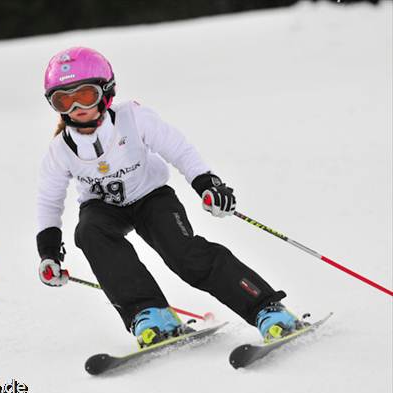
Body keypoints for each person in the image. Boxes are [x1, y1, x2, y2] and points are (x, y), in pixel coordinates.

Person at [36, 46, 301, 348]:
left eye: (84, 95)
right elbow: (49, 200)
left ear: (106, 91)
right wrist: (48, 253)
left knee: (185, 255)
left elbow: (178, 148)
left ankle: (267, 309)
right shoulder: (60, 150)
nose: (75, 107)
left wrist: (207, 184)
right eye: (63, 99)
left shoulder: (132, 118)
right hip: (104, 208)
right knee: (89, 232)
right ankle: (151, 314)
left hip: (151, 197)